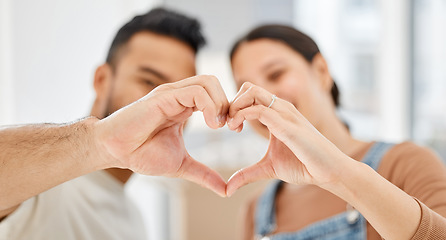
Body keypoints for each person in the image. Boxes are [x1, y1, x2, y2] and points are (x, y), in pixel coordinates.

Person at [0, 8, 229, 240]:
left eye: (182, 94)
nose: (168, 105)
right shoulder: (39, 184)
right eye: (149, 81)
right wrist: (101, 143)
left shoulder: (134, 220)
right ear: (101, 80)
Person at [226, 24, 446, 240]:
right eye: (244, 88)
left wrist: (340, 174)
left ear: (322, 71)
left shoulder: (405, 164)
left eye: (276, 74)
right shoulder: (256, 211)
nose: (260, 96)